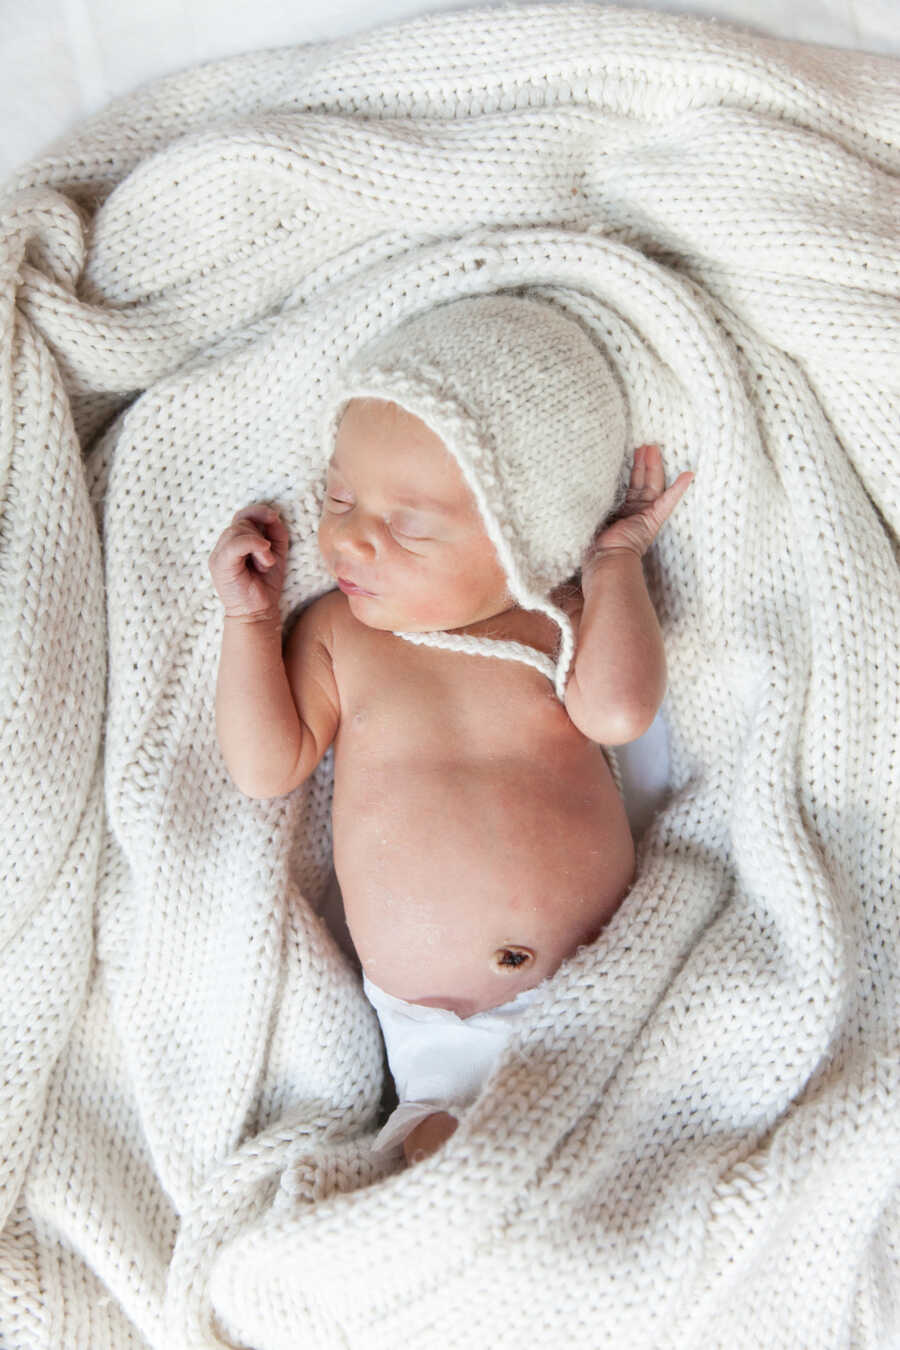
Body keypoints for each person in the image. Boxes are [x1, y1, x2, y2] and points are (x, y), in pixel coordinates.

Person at [207, 295, 693, 1166]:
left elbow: (620, 711)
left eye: (404, 525)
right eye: (341, 497)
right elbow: (265, 766)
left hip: (604, 1009)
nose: (350, 539)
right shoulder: (339, 636)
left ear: (519, 540)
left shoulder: (551, 623)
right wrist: (249, 625)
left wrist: (614, 567)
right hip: (439, 1056)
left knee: (625, 1173)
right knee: (450, 1179)